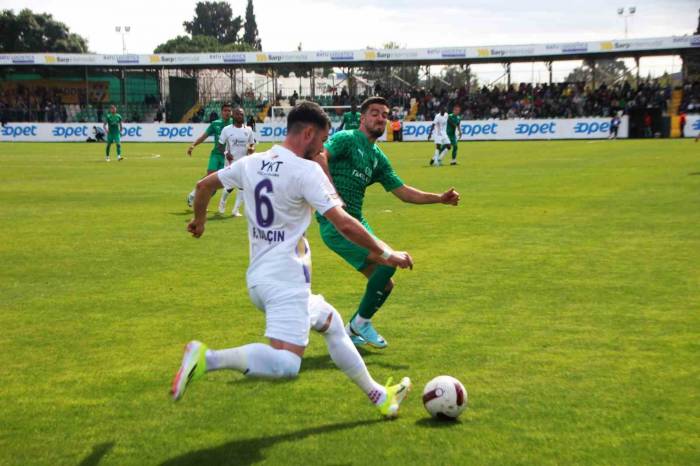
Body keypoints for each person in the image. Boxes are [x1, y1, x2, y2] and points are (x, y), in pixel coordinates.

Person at [171, 101, 413, 419]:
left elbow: (204, 186)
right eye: (323, 141)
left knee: (332, 323)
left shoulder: (252, 163)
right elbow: (344, 223)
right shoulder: (306, 170)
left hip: (260, 277)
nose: (324, 149)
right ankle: (208, 358)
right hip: (286, 281)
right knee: (286, 365)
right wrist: (386, 253)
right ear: (308, 133)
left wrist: (199, 221)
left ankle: (379, 395)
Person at [313, 96, 460, 349]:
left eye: (384, 114)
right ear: (362, 118)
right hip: (336, 224)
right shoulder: (347, 138)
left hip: (356, 221)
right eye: (375, 113)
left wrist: (440, 199)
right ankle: (358, 325)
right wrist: (332, 195)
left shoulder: (377, 157)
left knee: (385, 282)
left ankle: (354, 327)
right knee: (388, 260)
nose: (381, 118)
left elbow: (403, 191)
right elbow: (319, 156)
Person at [186, 103, 233, 207]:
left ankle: (201, 201)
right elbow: (203, 137)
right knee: (210, 176)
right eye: (225, 110)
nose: (227, 113)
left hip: (227, 158)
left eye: (229, 111)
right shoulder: (215, 124)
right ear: (221, 112)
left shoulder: (234, 124)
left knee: (217, 184)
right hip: (216, 155)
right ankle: (193, 194)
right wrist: (193, 145)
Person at [217, 106, 256, 216]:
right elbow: (220, 145)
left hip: (244, 163)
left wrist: (251, 149)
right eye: (238, 114)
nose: (240, 116)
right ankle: (222, 203)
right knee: (229, 187)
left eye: (242, 114)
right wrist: (226, 153)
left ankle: (235, 210)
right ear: (233, 116)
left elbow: (252, 144)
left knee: (243, 187)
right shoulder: (227, 129)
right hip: (231, 163)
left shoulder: (248, 130)